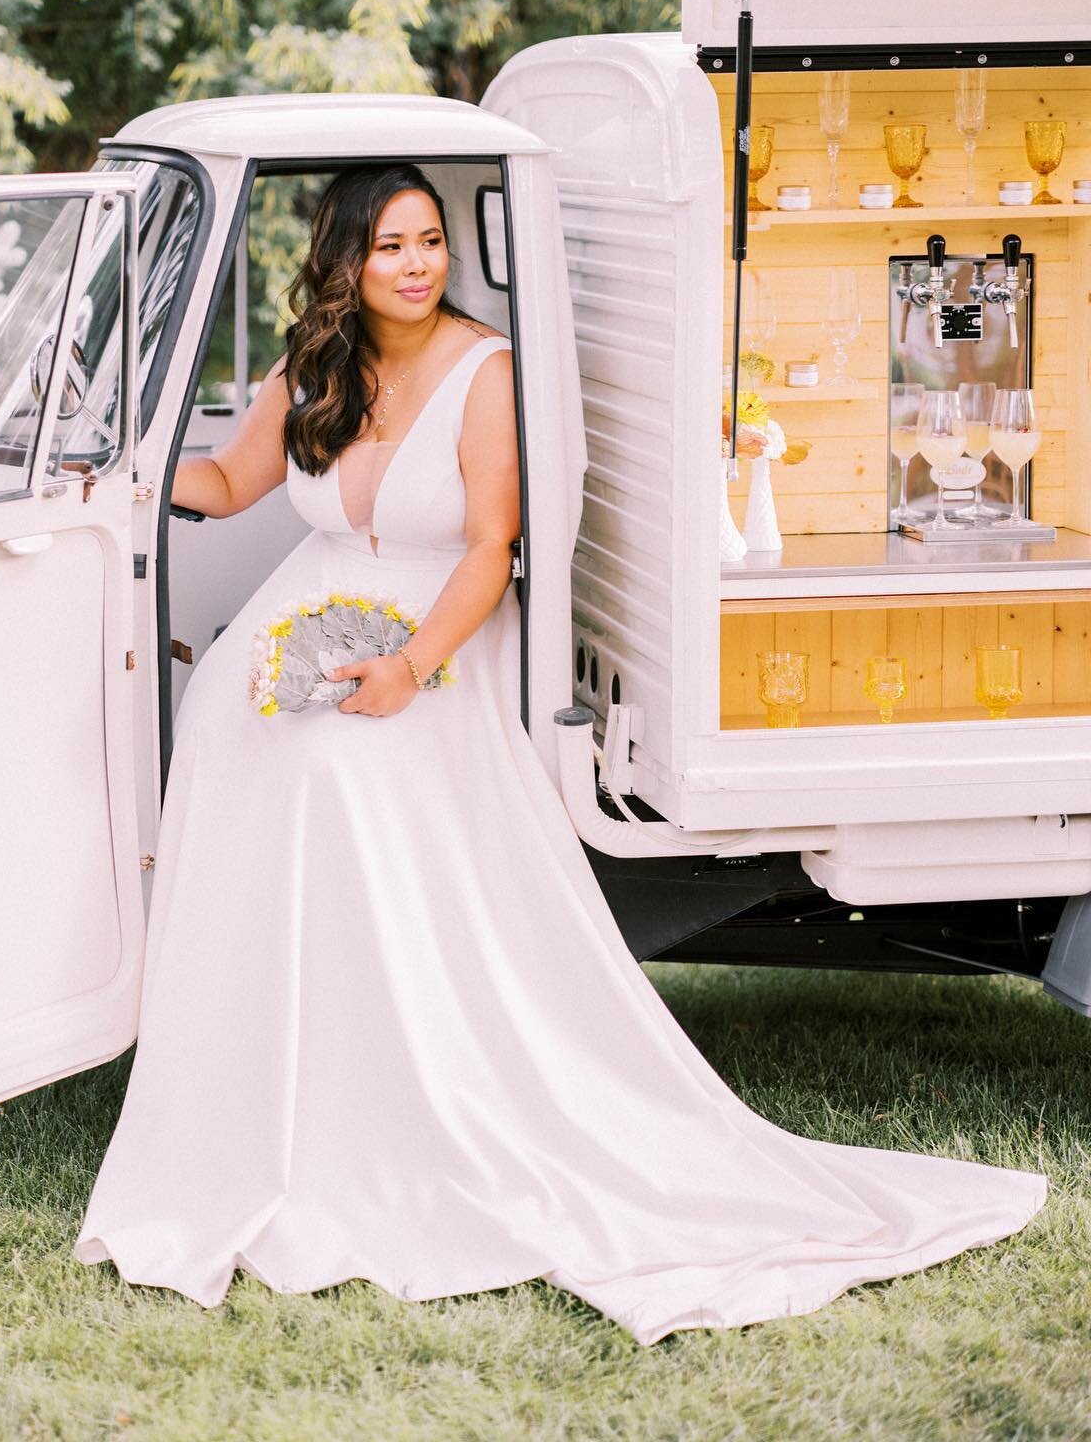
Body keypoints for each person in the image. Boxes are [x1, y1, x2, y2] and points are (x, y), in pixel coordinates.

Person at [73, 162, 1048, 1346]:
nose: (417, 263)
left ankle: (392, 1110)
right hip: (299, 628)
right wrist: (119, 479)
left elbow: (492, 549)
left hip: (440, 637)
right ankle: (250, 1100)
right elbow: (231, 484)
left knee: (344, 775)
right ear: (343, 262)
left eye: (428, 239)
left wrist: (407, 667)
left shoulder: (489, 374)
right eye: (388, 246)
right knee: (247, 756)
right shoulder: (314, 367)